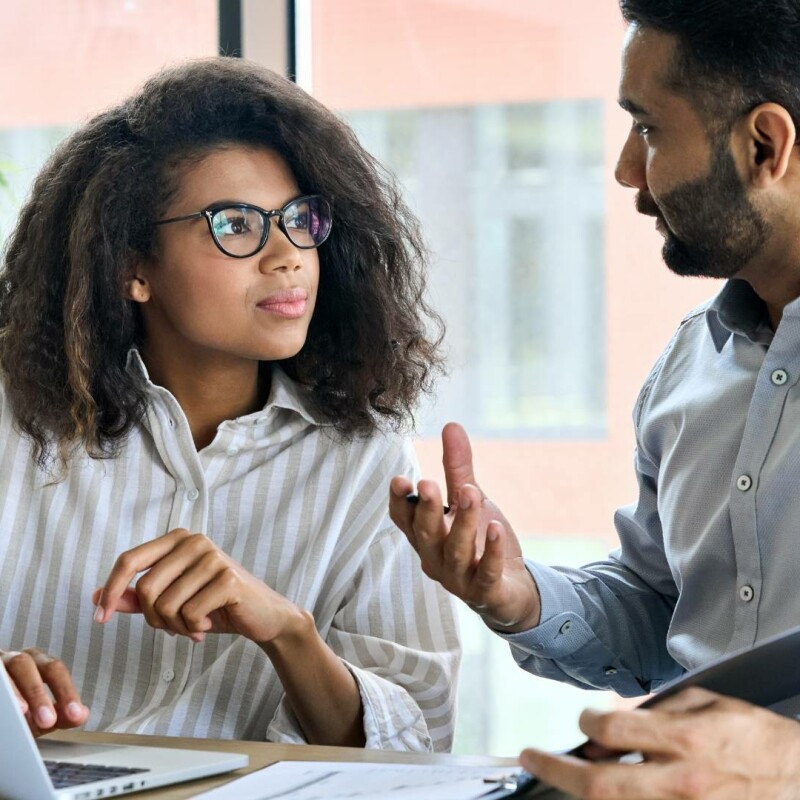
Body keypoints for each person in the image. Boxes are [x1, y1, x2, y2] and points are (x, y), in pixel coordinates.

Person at [390, 0, 800, 794]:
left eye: (648, 128)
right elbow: (664, 613)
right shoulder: (691, 370)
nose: (625, 170)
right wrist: (520, 594)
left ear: (764, 145)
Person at [0, 57, 460, 751]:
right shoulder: (13, 421)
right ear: (133, 267)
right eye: (236, 224)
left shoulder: (368, 457)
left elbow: (419, 747)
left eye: (300, 219)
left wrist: (288, 632)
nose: (287, 255)